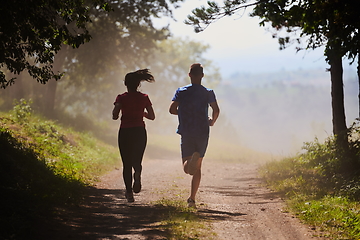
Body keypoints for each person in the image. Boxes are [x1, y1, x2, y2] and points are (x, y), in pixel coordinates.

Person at [169, 63, 220, 208]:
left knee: (187, 167)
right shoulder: (208, 92)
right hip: (203, 131)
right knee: (198, 167)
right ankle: (192, 199)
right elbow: (216, 109)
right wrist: (212, 121)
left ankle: (190, 160)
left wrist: (186, 113)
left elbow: (172, 109)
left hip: (187, 130)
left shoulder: (182, 91)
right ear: (202, 76)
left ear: (189, 75)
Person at [112, 69, 155, 202]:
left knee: (126, 163)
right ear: (138, 84)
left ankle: (129, 193)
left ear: (125, 84)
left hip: (125, 132)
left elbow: (115, 115)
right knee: (137, 160)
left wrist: (118, 111)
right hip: (139, 132)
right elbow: (152, 116)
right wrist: (142, 113)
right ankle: (137, 174)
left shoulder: (121, 97)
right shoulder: (144, 98)